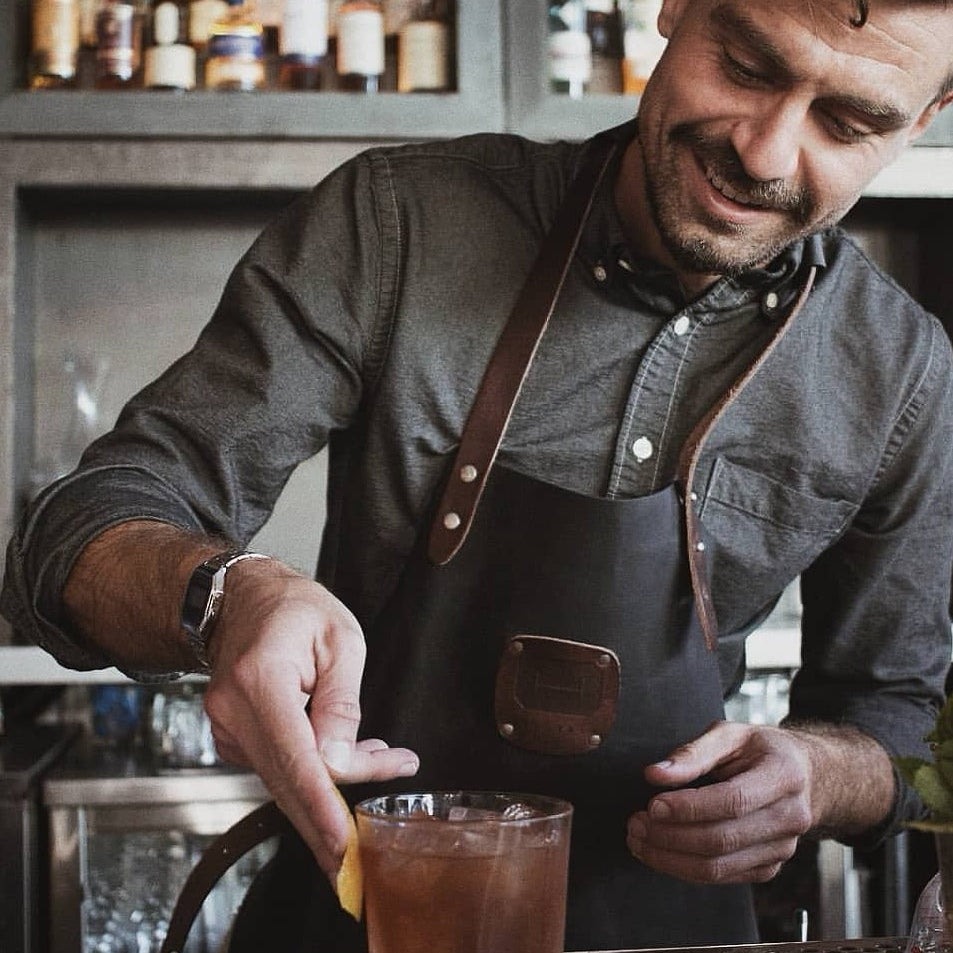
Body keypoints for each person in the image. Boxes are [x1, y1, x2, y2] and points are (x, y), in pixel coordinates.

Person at [4, 0, 953, 947]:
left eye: (848, 122)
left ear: (923, 119)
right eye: (746, 65)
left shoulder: (900, 371)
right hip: (363, 911)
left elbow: (898, 718)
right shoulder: (398, 223)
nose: (765, 152)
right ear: (674, 9)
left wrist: (820, 773)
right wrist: (224, 599)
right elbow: (75, 531)